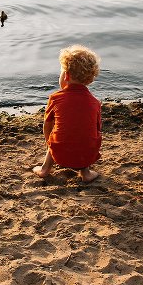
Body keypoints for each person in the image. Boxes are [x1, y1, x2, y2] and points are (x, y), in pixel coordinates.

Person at [33, 45, 102, 183]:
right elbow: (97, 128)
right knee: (85, 135)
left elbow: (47, 125)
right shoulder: (95, 102)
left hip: (59, 154)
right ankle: (86, 173)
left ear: (66, 75)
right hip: (87, 154)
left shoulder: (56, 98)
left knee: (56, 134)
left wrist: (49, 145)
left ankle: (45, 169)